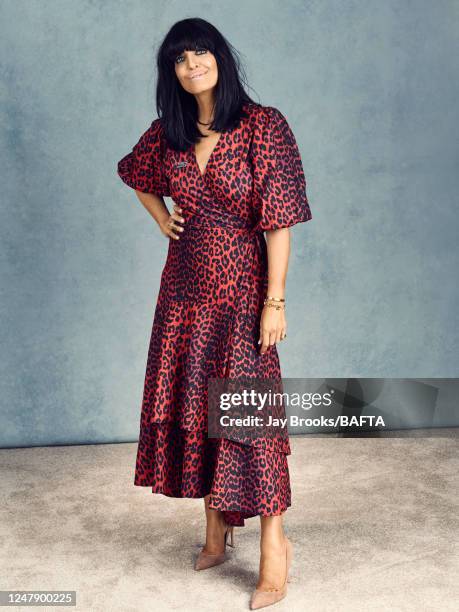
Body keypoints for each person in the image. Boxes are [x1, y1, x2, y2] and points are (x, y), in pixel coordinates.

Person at [117, 17, 312, 610]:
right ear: (170, 73)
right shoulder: (168, 133)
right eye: (179, 58)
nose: (192, 63)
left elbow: (279, 221)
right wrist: (160, 217)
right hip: (182, 293)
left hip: (242, 294)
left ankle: (275, 544)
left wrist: (274, 301)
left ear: (220, 58)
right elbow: (134, 173)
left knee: (248, 417)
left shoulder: (262, 125)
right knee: (201, 409)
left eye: (200, 51)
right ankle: (216, 527)